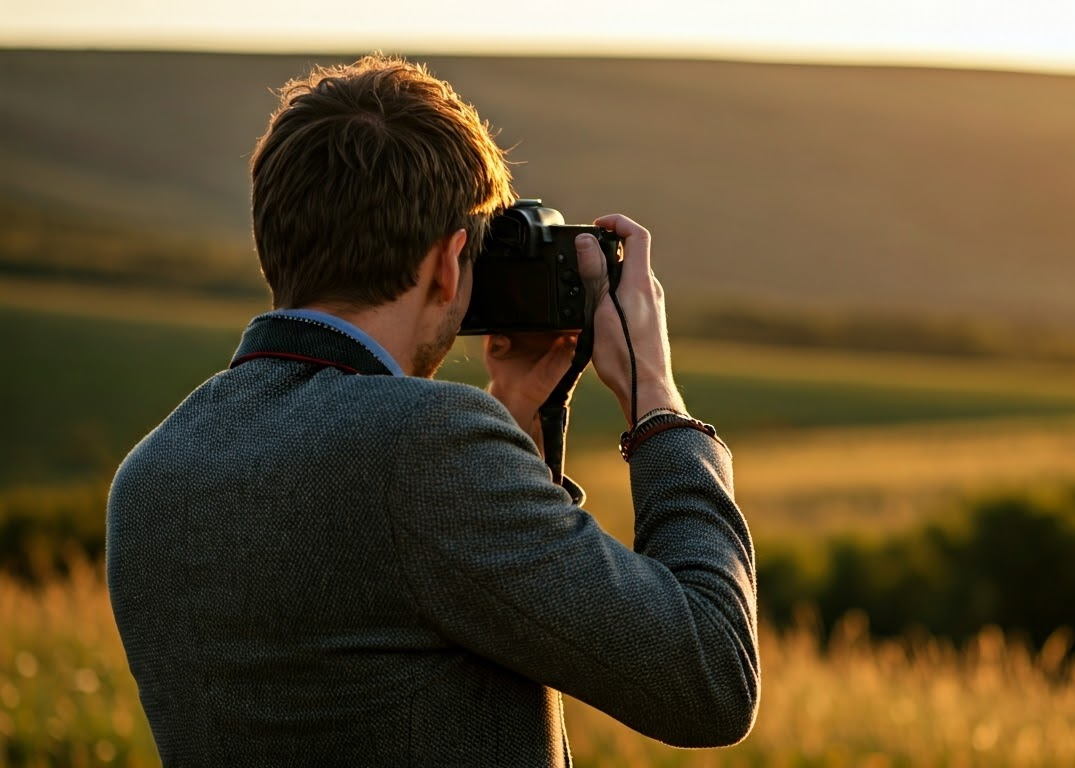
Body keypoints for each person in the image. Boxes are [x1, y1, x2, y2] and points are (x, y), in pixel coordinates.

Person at [106, 53, 759, 766]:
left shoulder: (151, 473)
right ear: (450, 262)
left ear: (274, 243)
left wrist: (514, 414)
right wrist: (656, 401)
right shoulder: (426, 448)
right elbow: (711, 678)